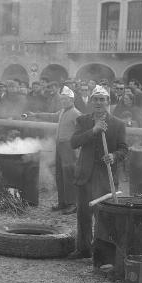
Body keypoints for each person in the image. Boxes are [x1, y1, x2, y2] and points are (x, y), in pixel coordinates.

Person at [69, 85, 128, 259]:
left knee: (103, 216)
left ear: (108, 102)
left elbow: (124, 149)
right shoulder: (83, 121)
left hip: (105, 177)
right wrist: (93, 131)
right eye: (95, 99)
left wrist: (113, 156)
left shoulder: (117, 124)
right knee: (83, 215)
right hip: (85, 175)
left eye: (102, 99)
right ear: (91, 102)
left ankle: (102, 253)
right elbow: (74, 142)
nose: (98, 103)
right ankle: (83, 249)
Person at [25, 85, 81, 215]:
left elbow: (81, 130)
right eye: (62, 100)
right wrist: (36, 114)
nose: (63, 102)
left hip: (69, 147)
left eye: (66, 100)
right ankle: (62, 202)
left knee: (69, 176)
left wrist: (76, 146)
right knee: (60, 176)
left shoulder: (76, 113)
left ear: (72, 100)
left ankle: (72, 204)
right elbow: (52, 116)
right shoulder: (62, 112)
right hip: (60, 146)